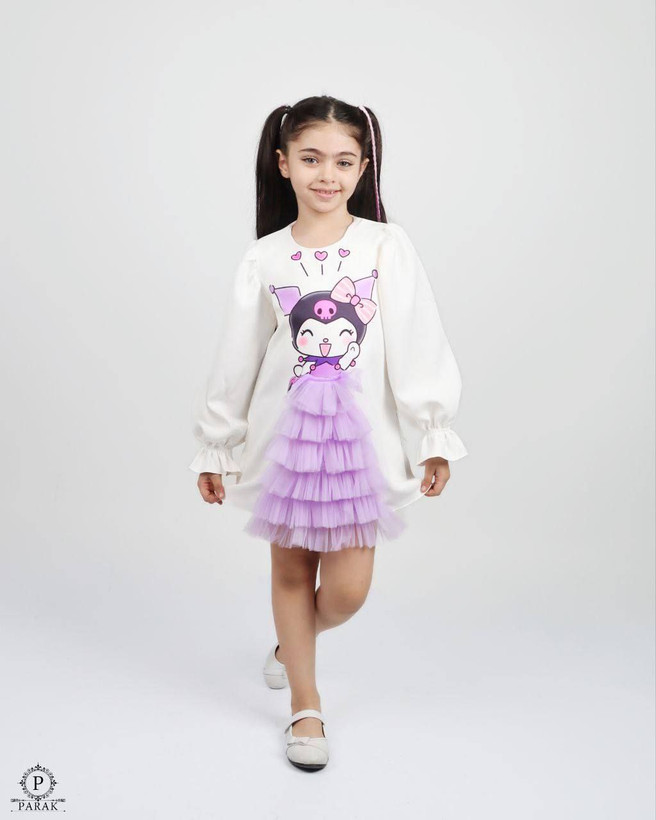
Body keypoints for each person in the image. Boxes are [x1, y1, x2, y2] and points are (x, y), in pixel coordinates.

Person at [187, 95, 468, 771]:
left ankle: (290, 646)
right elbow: (237, 357)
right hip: (283, 439)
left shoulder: (385, 246)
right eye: (311, 159)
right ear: (283, 163)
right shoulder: (264, 259)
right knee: (290, 570)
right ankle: (305, 705)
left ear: (363, 168)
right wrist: (216, 445)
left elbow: (417, 340)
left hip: (359, 449)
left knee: (346, 591)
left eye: (344, 161)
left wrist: (433, 431)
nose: (327, 175)